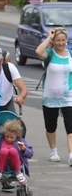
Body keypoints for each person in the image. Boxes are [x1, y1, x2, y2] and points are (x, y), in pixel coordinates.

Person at [35, 27, 72, 164]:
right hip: (50, 98)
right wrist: (48, 38)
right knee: (51, 127)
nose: (61, 43)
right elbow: (38, 52)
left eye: (63, 40)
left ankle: (71, 154)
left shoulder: (71, 55)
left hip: (69, 97)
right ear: (54, 41)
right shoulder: (49, 54)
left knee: (70, 128)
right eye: (58, 40)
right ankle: (53, 152)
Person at [0, 120, 33, 185]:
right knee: (4, 151)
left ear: (16, 135)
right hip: (3, 162)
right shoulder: (1, 138)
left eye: (12, 137)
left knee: (12, 151)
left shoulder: (20, 140)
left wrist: (23, 149)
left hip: (15, 163)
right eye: (7, 136)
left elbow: (30, 153)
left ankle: (18, 172)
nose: (9, 139)